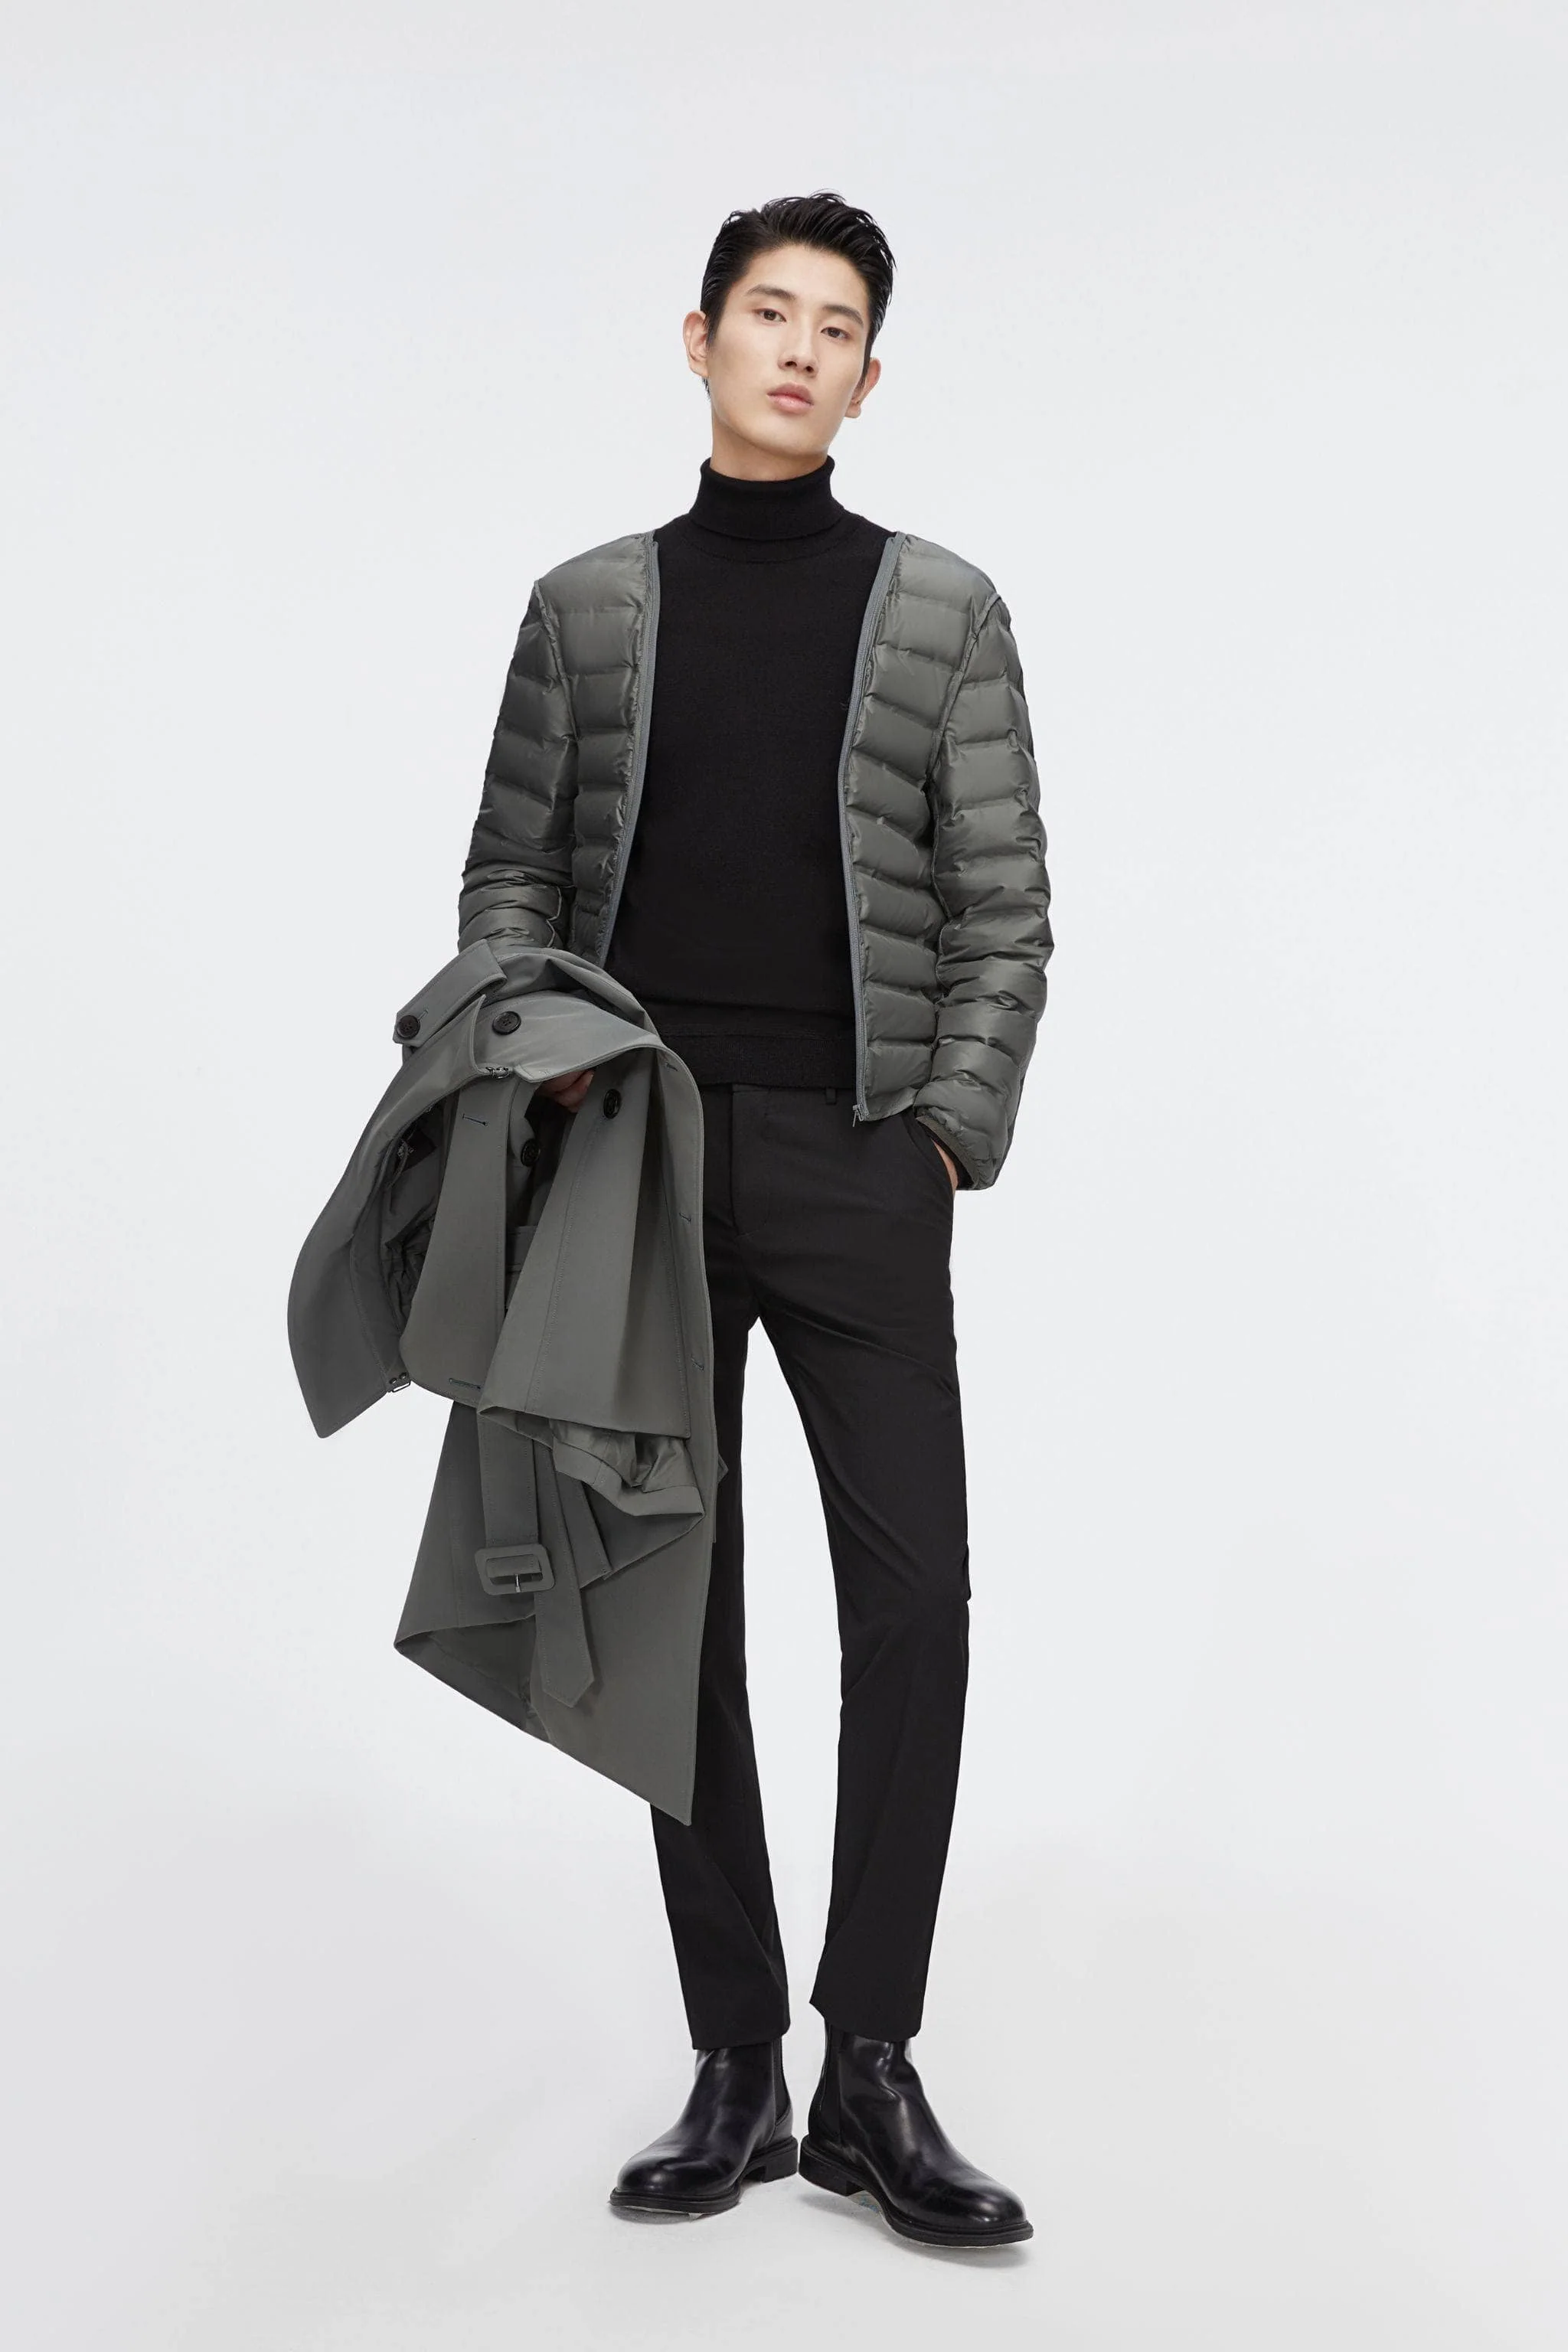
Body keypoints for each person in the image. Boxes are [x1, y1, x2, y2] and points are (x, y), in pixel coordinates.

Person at [456, 191, 1052, 2249]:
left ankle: (871, 2061)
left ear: (870, 378)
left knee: (915, 1604)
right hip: (639, 1165)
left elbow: (1004, 909)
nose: (800, 349)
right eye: (770, 313)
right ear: (700, 337)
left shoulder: (946, 610)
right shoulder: (587, 611)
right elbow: (509, 885)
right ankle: (737, 2057)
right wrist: (549, 1078)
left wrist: (942, 1139)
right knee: (671, 1612)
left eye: (839, 326)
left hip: (859, 1163)